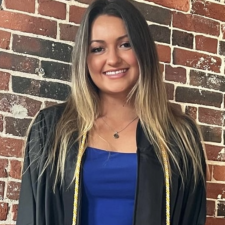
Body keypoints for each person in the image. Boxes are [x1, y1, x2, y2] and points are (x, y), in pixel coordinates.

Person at [16, 0, 207, 224]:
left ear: (143, 49)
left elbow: (191, 216)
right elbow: (33, 214)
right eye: (98, 49)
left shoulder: (180, 136)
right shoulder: (51, 130)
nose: (113, 59)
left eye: (125, 45)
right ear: (84, 59)